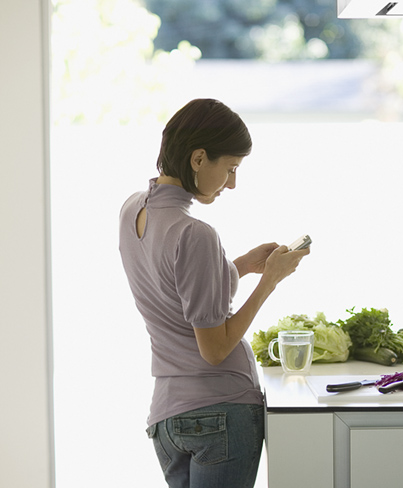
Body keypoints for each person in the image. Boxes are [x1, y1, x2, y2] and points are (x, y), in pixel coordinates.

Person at [118, 98, 309, 487]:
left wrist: (238, 266)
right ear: (199, 158)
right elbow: (215, 348)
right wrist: (269, 280)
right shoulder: (194, 232)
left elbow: (173, 290)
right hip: (219, 414)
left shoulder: (132, 210)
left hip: (167, 419)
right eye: (231, 168)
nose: (233, 183)